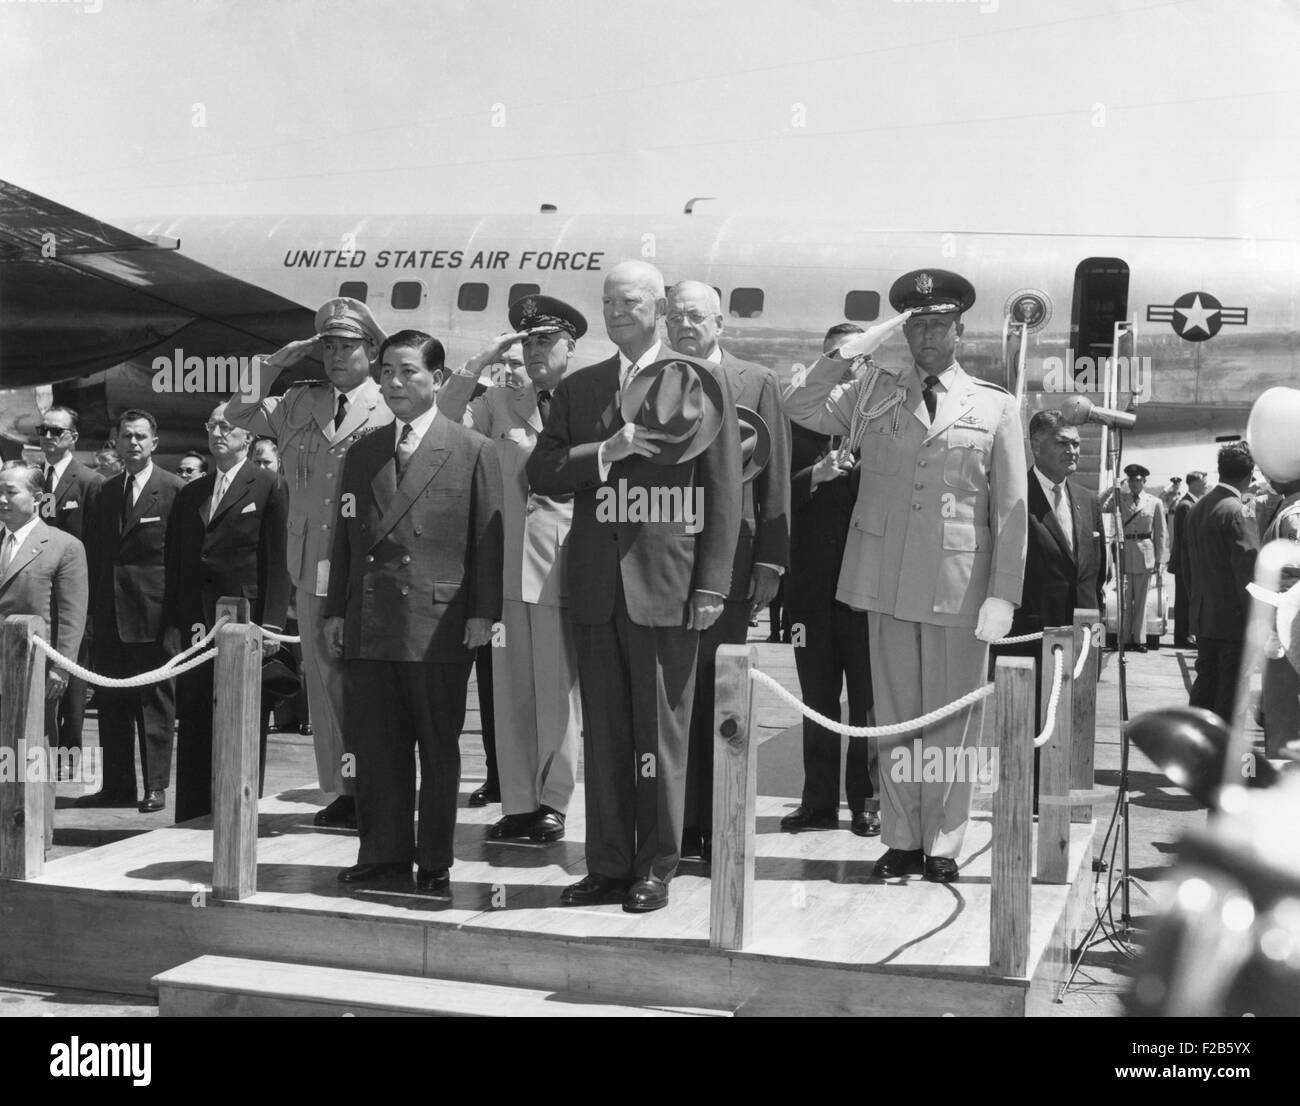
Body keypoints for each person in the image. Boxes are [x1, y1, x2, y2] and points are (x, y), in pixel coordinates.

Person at [783, 268, 1027, 884]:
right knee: (894, 720)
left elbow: (1010, 511)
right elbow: (801, 406)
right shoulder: (873, 392)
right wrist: (851, 353)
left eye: (937, 324)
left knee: (950, 723)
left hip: (959, 588)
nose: (926, 336)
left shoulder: (995, 406)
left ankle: (942, 839)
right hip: (885, 582)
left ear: (958, 331)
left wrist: (1004, 593)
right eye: (915, 325)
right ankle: (900, 838)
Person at [526, 259, 741, 913]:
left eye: (628, 302)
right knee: (609, 735)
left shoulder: (697, 380)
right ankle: (608, 863)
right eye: (608, 303)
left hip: (667, 583)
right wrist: (605, 453)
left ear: (657, 308)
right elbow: (544, 471)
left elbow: (724, 490)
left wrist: (712, 585)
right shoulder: (581, 386)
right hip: (596, 586)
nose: (616, 313)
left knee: (661, 735)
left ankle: (656, 863)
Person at [325, 330, 503, 896]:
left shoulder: (473, 450)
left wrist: (483, 613)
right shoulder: (364, 450)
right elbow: (345, 539)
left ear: (438, 380)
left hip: (439, 623)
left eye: (409, 372)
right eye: (388, 372)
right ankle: (382, 854)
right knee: (376, 747)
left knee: (437, 745)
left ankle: (434, 860)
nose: (395, 383)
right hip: (372, 619)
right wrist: (336, 611)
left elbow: (488, 542)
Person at [224, 296, 393, 830]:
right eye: (328, 347)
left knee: (370, 682)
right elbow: (237, 413)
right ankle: (344, 789)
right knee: (323, 685)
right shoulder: (300, 402)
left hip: (369, 564)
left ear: (371, 349)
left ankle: (381, 785)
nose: (336, 356)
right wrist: (274, 364)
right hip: (311, 562)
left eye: (348, 346)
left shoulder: (392, 401)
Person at [438, 295, 585, 844]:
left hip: (562, 568)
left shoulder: (593, 397)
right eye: (528, 340)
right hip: (504, 569)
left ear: (571, 346)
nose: (536, 349)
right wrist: (474, 368)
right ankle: (519, 801)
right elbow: (443, 424)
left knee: (557, 694)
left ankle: (555, 801)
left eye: (547, 339)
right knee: (510, 694)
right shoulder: (499, 401)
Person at [667, 280, 790, 861]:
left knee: (722, 698)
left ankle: (719, 825)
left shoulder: (756, 382)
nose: (685, 326)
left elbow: (775, 476)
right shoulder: (653, 381)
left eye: (697, 317)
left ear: (721, 325)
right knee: (672, 698)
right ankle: (677, 825)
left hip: (732, 561)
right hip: (663, 561)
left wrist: (770, 557)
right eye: (676, 316)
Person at [162, 403, 290, 823]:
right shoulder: (192, 492)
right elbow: (177, 561)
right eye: (211, 424)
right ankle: (193, 813)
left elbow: (277, 560)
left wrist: (271, 625)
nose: (218, 432)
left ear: (247, 437)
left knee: (242, 718)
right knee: (196, 715)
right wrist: (175, 623)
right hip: (198, 624)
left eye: (227, 426)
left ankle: (237, 811)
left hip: (245, 621)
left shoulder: (268, 485)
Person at [780, 323, 879, 837]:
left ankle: (866, 802)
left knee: (866, 704)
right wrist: (813, 478)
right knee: (816, 701)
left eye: (858, 361)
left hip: (865, 594)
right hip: (812, 594)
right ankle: (817, 801)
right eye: (838, 360)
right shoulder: (797, 424)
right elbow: (770, 499)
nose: (848, 370)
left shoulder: (883, 424)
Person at [991, 408, 1105, 806]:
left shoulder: (1088, 501)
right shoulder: (1013, 496)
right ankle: (1022, 802)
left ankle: (1060, 800)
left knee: (1071, 725)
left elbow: (1094, 572)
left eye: (1077, 443)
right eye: (1063, 442)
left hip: (1079, 639)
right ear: (1036, 445)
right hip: (1028, 638)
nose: (1074, 450)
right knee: (1025, 728)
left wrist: (1096, 625)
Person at [84, 410, 184, 812]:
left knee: (155, 706)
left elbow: (179, 563)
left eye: (141, 436)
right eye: (126, 436)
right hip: (110, 616)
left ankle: (155, 786)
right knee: (110, 705)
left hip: (152, 618)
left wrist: (175, 622)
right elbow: (96, 553)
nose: (134, 443)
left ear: (154, 443)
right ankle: (117, 785)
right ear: (117, 442)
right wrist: (92, 613)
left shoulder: (173, 490)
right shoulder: (105, 492)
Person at [0, 461, 87, 782]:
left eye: (10, 492)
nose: (2, 499)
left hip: (33, 669)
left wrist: (61, 668)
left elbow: (71, 617)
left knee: (30, 758)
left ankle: (32, 825)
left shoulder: (64, 547)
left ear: (37, 498)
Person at [36, 405, 103, 765]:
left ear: (72, 437)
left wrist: (90, 609)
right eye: (43, 429)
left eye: (56, 431)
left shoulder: (90, 482)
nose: (47, 436)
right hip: (36, 595)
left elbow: (97, 545)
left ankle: (69, 753)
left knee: (71, 677)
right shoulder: (32, 480)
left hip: (73, 596)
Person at [1185, 441, 1259, 724]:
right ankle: (1220, 763)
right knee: (1230, 701)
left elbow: (1189, 570)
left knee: (1204, 691)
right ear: (1249, 475)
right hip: (1235, 625)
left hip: (1205, 619)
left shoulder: (1198, 507)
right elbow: (1249, 573)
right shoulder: (1239, 511)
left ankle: (1195, 756)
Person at [1101, 463, 1166, 652]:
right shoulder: (1120, 499)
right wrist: (1112, 488)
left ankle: (1139, 639)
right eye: (1131, 480)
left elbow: (1161, 534)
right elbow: (1100, 505)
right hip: (1124, 553)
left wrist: (1160, 560)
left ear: (1144, 481)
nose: (1134, 484)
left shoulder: (1154, 502)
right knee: (1124, 601)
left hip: (1145, 554)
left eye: (1138, 480)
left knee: (1141, 601)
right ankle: (1124, 638)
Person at [1168, 470, 1207, 648]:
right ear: (1193, 483)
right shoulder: (1186, 505)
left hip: (1188, 562)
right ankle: (1182, 637)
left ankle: (1184, 636)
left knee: (1187, 600)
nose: (1206, 484)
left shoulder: (1191, 503)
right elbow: (1186, 539)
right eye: (1203, 481)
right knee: (1184, 601)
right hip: (1185, 562)